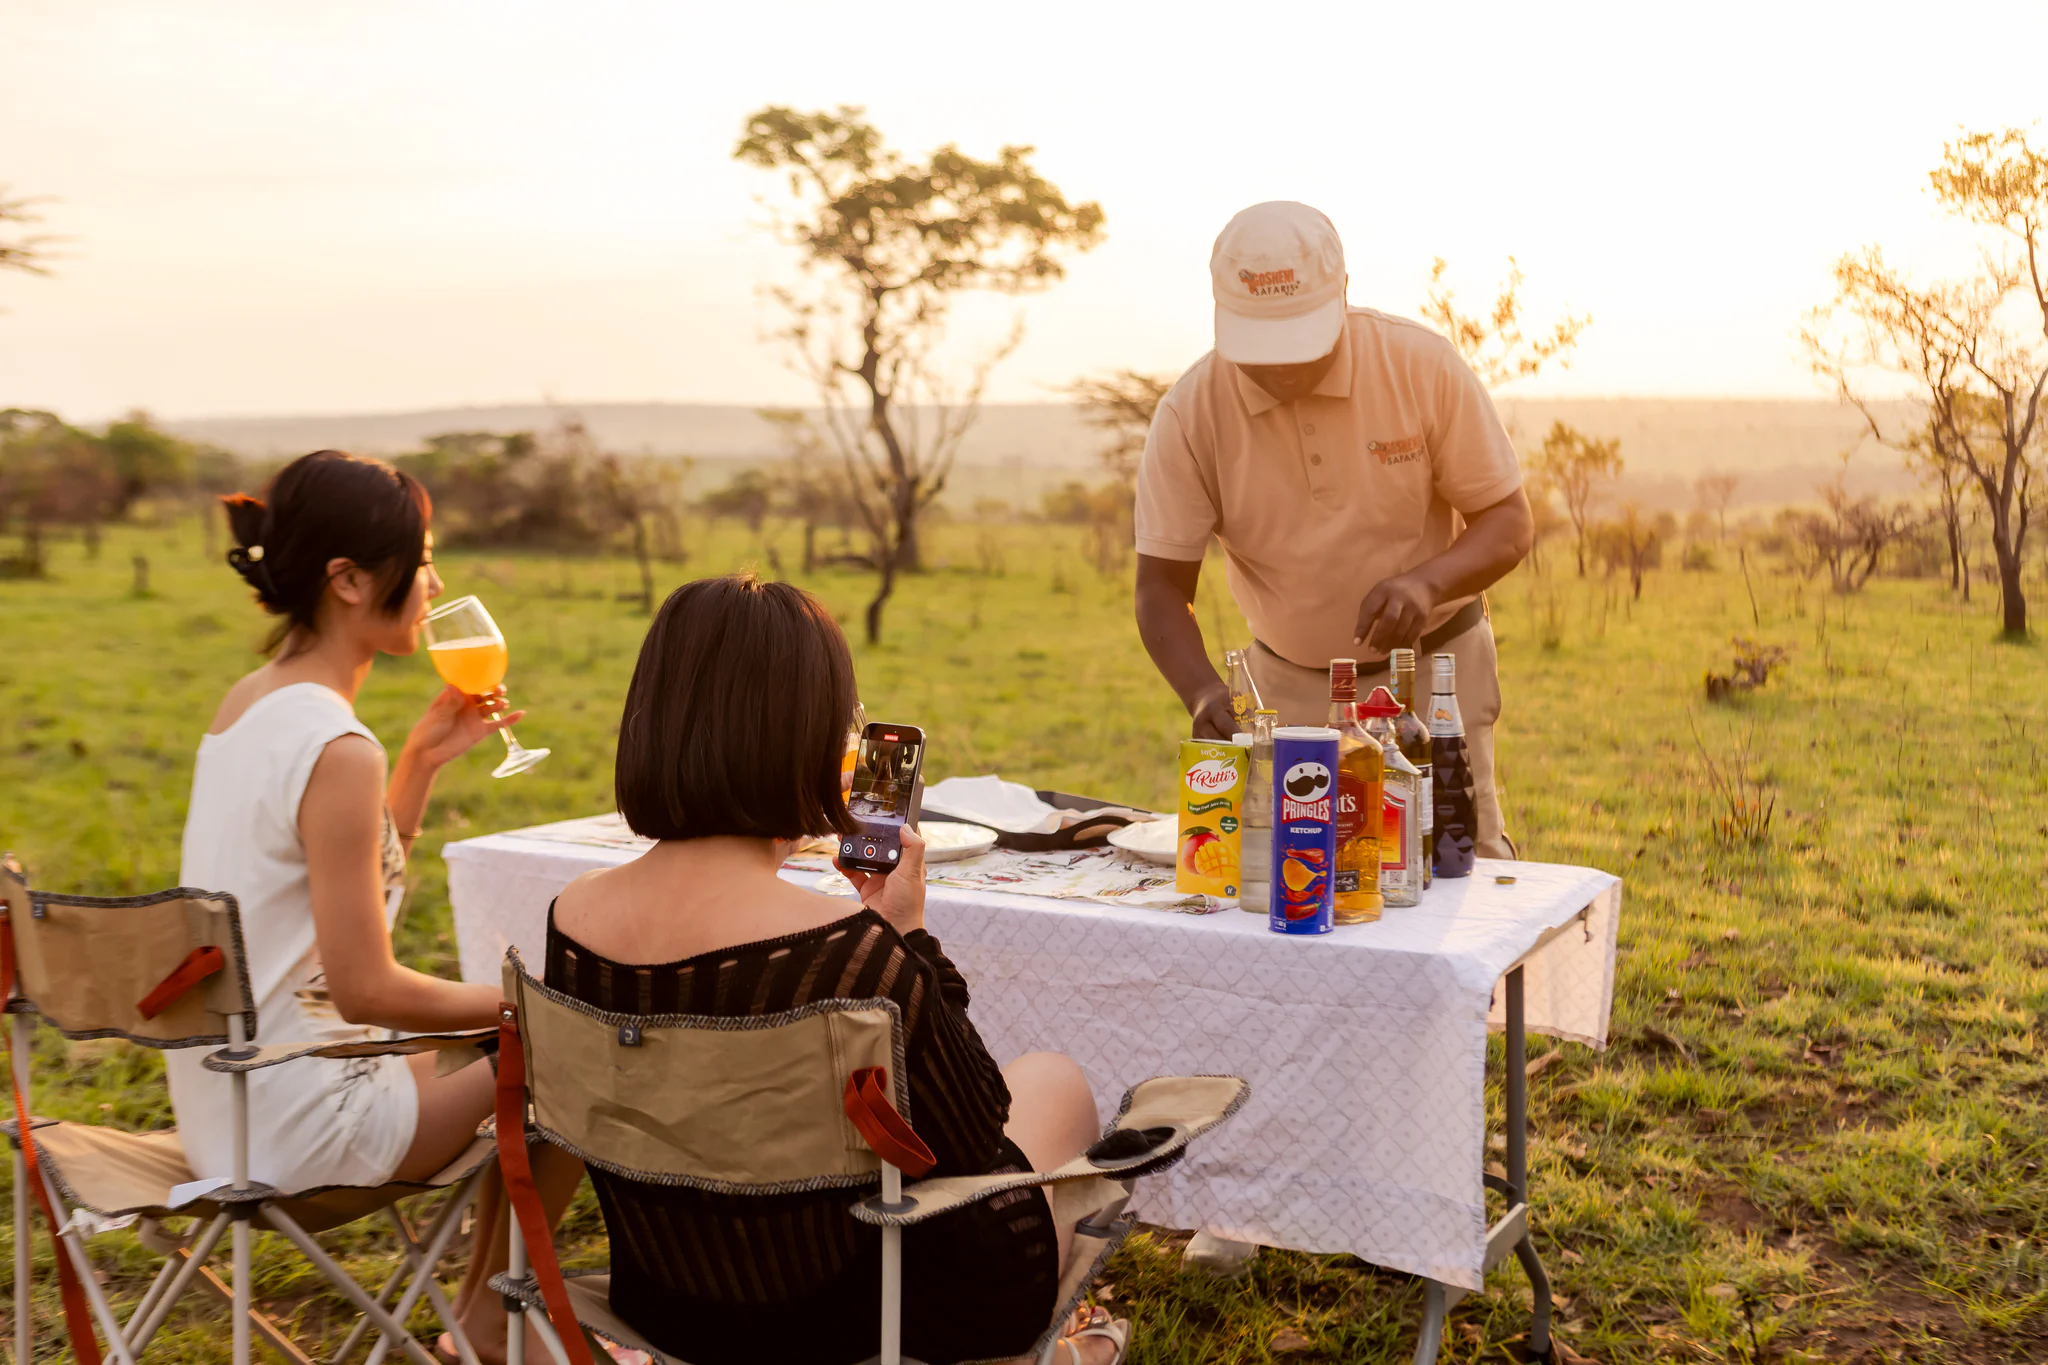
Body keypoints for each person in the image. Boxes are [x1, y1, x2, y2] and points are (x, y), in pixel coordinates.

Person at [547, 573, 1128, 1365]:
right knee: (1051, 1080)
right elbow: (971, 1137)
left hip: (670, 1298)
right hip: (878, 1313)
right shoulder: (845, 944)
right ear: (809, 736)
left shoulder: (572, 916)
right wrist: (907, 933)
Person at [172, 450, 582, 1362]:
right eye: (420, 557)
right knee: (577, 1045)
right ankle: (491, 1327)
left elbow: (316, 928)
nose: (434, 581)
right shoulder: (332, 744)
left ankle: (489, 1323)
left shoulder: (249, 708)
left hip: (225, 1104)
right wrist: (538, 1003)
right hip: (301, 1123)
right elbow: (363, 988)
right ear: (349, 579)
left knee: (518, 1033)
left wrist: (416, 766)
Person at [1134, 200, 1535, 857]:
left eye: (1302, 340)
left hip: (1433, 682)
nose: (1286, 367)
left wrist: (1427, 583)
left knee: (1456, 875)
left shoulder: (1420, 365)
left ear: (1343, 294)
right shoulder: (1190, 413)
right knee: (1307, 885)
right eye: (1265, 347)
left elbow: (1509, 521)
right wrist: (1202, 686)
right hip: (1288, 693)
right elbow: (1160, 587)